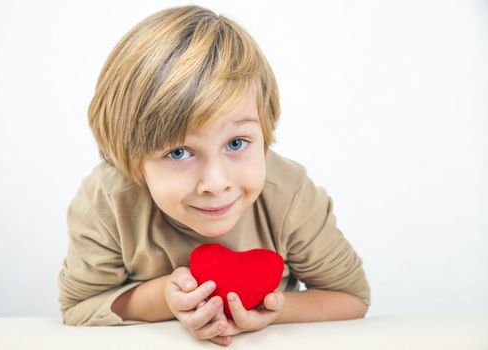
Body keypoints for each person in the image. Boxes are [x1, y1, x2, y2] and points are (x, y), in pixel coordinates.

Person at [58, 5, 370, 346]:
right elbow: (79, 307)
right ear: (131, 156)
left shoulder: (290, 195)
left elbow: (351, 297)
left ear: (264, 132)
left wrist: (270, 313)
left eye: (236, 143)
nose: (216, 182)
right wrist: (166, 297)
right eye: (178, 152)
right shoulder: (108, 201)